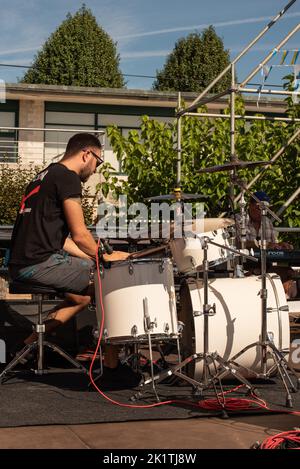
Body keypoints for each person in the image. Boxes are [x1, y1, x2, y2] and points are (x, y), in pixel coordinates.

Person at [8, 132, 129, 362]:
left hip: (21, 262)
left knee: (82, 298)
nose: (95, 170)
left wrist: (94, 258)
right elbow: (81, 235)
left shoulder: (44, 175)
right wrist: (104, 259)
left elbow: (62, 239)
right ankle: (111, 365)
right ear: (86, 154)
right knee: (107, 279)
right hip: (38, 263)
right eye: (98, 162)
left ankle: (25, 347)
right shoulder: (68, 177)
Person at [236, 190, 297, 299]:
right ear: (249, 205)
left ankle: (285, 306)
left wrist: (281, 246)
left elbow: (273, 246)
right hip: (247, 265)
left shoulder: (267, 221)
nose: (261, 211)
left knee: (289, 274)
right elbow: (240, 244)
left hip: (266, 265)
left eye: (264, 209)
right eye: (258, 207)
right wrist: (265, 245)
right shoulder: (240, 219)